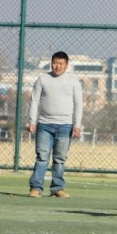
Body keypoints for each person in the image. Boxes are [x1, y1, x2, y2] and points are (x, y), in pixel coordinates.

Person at [28, 51, 84, 199]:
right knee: (42, 157)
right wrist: (32, 121)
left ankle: (57, 188)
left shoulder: (73, 81)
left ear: (66, 64)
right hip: (44, 125)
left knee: (60, 158)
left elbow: (78, 103)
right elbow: (35, 101)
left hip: (65, 126)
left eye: (61, 63)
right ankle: (36, 188)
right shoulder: (42, 79)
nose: (57, 66)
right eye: (55, 63)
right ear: (51, 63)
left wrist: (77, 125)